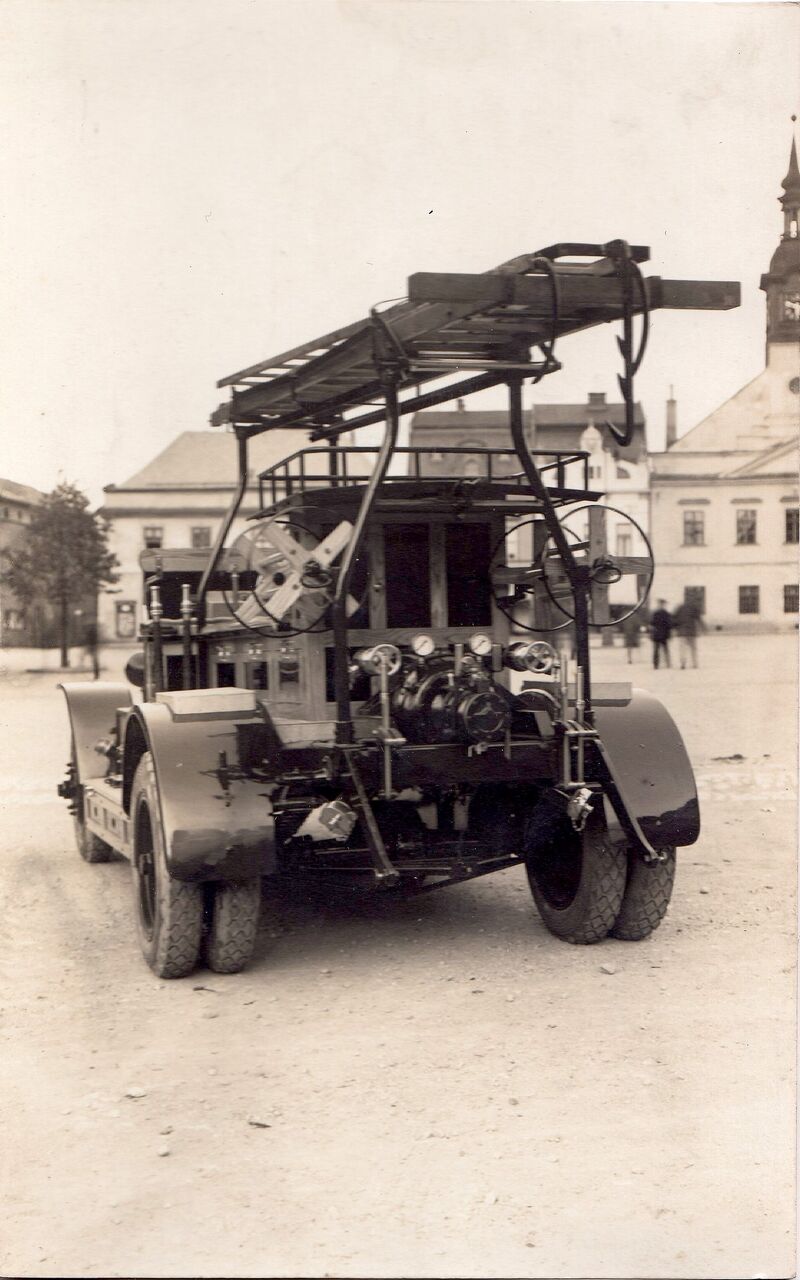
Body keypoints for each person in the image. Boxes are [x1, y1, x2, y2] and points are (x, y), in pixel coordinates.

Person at [672, 598, 706, 668]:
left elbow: (673, 619)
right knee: (693, 648)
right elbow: (699, 619)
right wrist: (703, 628)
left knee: (682, 648)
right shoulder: (693, 608)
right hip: (691, 632)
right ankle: (694, 663)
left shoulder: (679, 608)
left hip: (682, 632)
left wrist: (675, 628)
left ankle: (683, 663)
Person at [650, 599, 673, 669]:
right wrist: (669, 634)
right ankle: (668, 663)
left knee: (656, 650)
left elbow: (652, 623)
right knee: (665, 649)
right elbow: (669, 624)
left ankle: (656, 664)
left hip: (657, 634)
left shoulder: (655, 613)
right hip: (664, 634)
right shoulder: (666, 613)